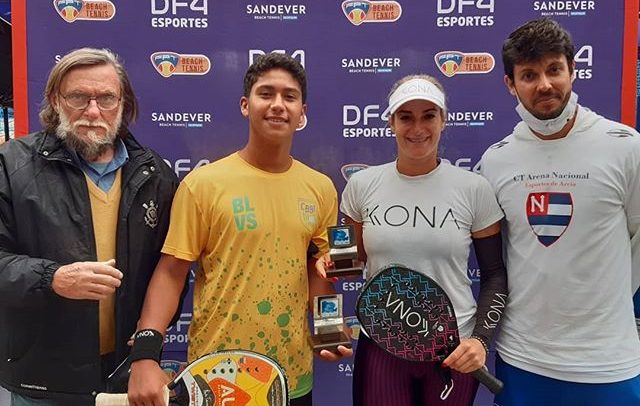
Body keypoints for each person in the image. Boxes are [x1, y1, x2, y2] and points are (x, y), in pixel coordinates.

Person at [126, 52, 352, 406]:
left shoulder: (320, 188)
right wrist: (144, 353)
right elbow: (171, 271)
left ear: (302, 112)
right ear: (246, 105)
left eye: (289, 96)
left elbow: (317, 266)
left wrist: (329, 326)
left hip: (292, 378)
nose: (278, 105)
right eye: (266, 93)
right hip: (216, 377)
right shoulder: (203, 184)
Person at [0, 48, 179, 405]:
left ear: (123, 104)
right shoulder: (11, 165)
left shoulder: (155, 175)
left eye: (106, 99)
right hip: (42, 381)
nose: (93, 111)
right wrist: (52, 278)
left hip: (125, 377)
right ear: (56, 101)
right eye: (78, 97)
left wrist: (147, 346)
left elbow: (170, 271)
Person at [316, 74, 508, 406]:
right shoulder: (362, 186)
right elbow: (347, 264)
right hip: (382, 343)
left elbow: (494, 275)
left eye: (428, 116)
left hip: (454, 348)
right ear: (391, 122)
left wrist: (479, 340)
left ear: (443, 120)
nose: (417, 128)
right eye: (406, 117)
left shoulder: (474, 189)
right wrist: (330, 271)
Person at [480, 18, 640, 406]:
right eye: (529, 75)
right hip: (522, 361)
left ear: (573, 70)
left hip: (608, 364)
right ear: (510, 84)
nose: (544, 85)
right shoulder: (495, 161)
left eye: (554, 69)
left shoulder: (625, 146)